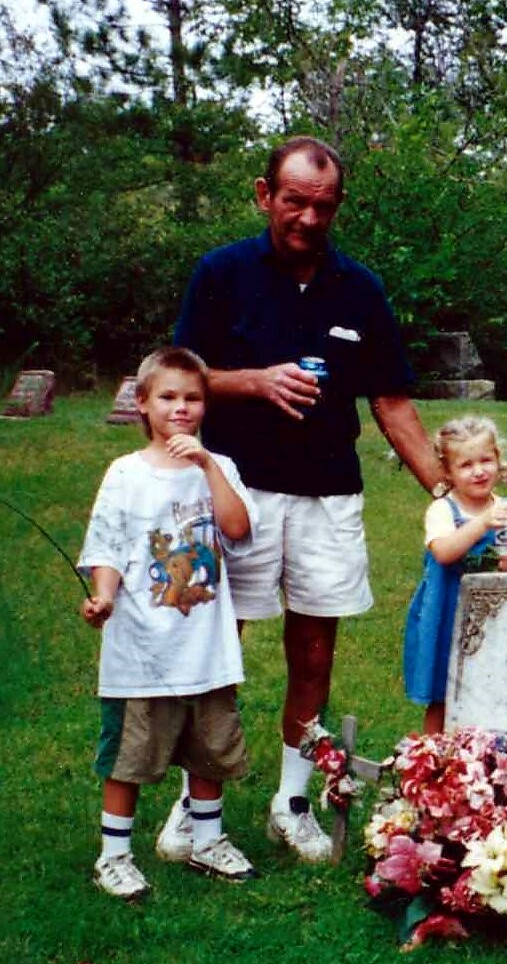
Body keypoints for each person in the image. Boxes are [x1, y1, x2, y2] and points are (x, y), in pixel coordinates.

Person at [159, 136, 442, 864]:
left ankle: (292, 800)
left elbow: (392, 402)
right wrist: (254, 381)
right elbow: (178, 379)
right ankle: (194, 805)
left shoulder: (360, 288)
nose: (309, 219)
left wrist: (448, 493)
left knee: (314, 652)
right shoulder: (222, 272)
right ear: (265, 196)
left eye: (323, 206)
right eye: (294, 202)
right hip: (235, 489)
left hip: (328, 494)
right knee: (217, 646)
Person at [79, 347, 258, 899]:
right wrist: (103, 597)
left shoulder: (220, 467)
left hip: (207, 649)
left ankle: (206, 841)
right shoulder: (126, 473)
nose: (181, 408)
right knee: (129, 757)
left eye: (193, 398)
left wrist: (207, 466)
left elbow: (237, 528)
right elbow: (107, 546)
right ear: (142, 403)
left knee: (210, 751)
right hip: (142, 651)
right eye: (168, 397)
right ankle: (113, 856)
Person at [403, 416, 507, 734]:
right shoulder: (443, 510)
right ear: (448, 472)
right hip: (448, 613)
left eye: (485, 460)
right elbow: (444, 552)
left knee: (491, 690)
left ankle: (484, 754)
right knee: (444, 694)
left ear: (498, 460)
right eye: (466, 465)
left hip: (494, 615)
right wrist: (482, 524)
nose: (479, 471)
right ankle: (433, 755)